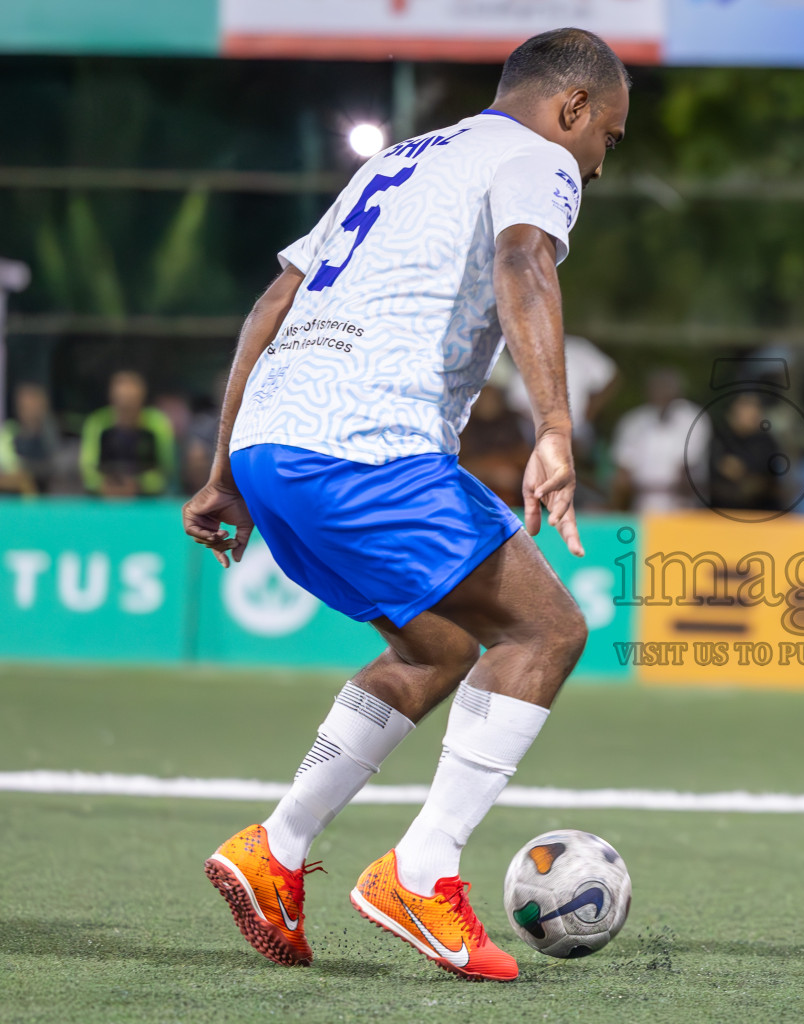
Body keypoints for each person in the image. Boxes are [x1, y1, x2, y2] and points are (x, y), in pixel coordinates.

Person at [181, 28, 630, 983]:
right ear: (575, 108)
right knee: (545, 632)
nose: (600, 163)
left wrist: (225, 469)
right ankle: (422, 871)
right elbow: (524, 265)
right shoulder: (538, 155)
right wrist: (555, 425)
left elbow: (274, 301)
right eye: (610, 140)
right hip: (365, 449)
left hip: (273, 447)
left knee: (437, 647)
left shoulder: (400, 157)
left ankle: (279, 847)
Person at [609, 367, 703, 511]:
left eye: (665, 388)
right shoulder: (633, 421)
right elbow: (623, 472)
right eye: (656, 388)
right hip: (639, 506)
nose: (660, 392)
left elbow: (687, 470)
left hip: (681, 507)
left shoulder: (693, 419)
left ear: (677, 392)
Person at [79, 370, 177, 496]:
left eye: (131, 401)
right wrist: (102, 485)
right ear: (112, 398)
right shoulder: (97, 423)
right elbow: (88, 468)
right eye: (121, 400)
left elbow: (167, 469)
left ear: (141, 399)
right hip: (104, 496)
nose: (126, 406)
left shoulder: (158, 424)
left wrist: (139, 484)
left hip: (149, 498)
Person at [0, 382, 61, 494]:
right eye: (24, 405)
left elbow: (56, 466)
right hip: (14, 498)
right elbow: (13, 469)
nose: (30, 408)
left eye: (33, 402)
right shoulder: (9, 432)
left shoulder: (52, 434)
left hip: (49, 497)